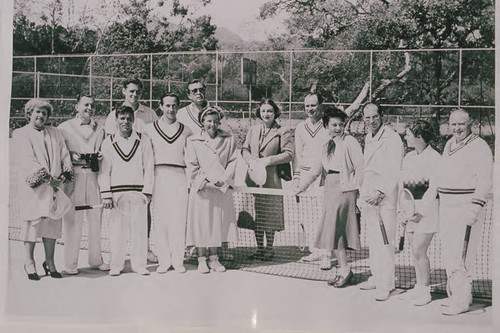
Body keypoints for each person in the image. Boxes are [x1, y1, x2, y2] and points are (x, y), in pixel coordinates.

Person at [420, 109, 493, 315]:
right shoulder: (450, 144)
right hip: (448, 206)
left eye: (461, 124)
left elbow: (485, 179)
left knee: (462, 255)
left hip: (466, 206)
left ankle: (460, 302)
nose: (457, 128)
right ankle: (459, 296)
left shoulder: (480, 146)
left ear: (470, 123)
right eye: (453, 124)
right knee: (450, 254)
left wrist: (475, 206)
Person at [295, 106, 363, 287]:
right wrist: (302, 186)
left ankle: (345, 270)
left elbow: (360, 168)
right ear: (326, 125)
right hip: (330, 189)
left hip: (344, 190)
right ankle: (343, 269)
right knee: (332, 232)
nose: (339, 128)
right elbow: (317, 169)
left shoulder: (350, 142)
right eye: (334, 125)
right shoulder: (326, 144)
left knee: (337, 231)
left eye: (341, 125)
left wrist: (358, 194)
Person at [13, 98, 74, 280]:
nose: (41, 115)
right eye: (37, 112)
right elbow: (26, 159)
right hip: (35, 188)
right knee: (33, 222)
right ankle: (29, 262)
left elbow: (64, 154)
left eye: (44, 113)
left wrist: (64, 173)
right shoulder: (21, 133)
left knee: (52, 223)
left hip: (55, 186)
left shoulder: (55, 132)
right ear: (29, 114)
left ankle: (49, 261)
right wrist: (47, 178)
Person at [104, 78, 158, 262]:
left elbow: (154, 142)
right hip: (119, 179)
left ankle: (145, 250)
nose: (134, 95)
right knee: (118, 223)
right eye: (131, 91)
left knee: (143, 217)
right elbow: (111, 144)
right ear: (123, 92)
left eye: (137, 92)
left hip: (141, 175)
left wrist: (148, 186)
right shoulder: (113, 115)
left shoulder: (149, 113)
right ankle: (116, 258)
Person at [98, 105, 154, 276]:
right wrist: (106, 194)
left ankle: (139, 265)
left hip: (138, 193)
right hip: (116, 194)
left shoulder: (143, 140)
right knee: (116, 231)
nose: (126, 121)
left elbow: (149, 167)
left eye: (129, 118)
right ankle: (116, 265)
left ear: (134, 120)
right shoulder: (108, 142)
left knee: (139, 230)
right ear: (116, 120)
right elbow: (104, 171)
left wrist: (148, 191)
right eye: (122, 118)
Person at [58, 94, 109, 275]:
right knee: (73, 221)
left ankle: (96, 260)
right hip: (75, 178)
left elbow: (105, 152)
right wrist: (70, 156)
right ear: (76, 107)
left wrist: (102, 156)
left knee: (96, 219)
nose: (89, 108)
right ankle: (70, 263)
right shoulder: (64, 128)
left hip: (94, 177)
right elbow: (59, 153)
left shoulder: (100, 128)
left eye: (92, 105)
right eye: (86, 104)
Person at [358, 103, 404, 301]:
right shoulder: (368, 137)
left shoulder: (392, 138)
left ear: (382, 116)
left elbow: (395, 169)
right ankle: (376, 277)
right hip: (369, 197)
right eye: (367, 118)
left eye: (374, 117)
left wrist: (381, 191)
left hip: (385, 199)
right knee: (374, 240)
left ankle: (387, 284)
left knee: (386, 242)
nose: (371, 121)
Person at [185, 106, 238, 273]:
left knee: (217, 222)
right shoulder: (193, 141)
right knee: (201, 224)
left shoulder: (229, 139)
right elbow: (191, 166)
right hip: (202, 190)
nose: (212, 124)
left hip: (220, 189)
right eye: (209, 121)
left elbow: (233, 161)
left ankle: (214, 259)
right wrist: (205, 183)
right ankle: (201, 259)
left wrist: (222, 181)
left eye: (215, 121)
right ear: (202, 122)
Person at [145, 92, 192, 274]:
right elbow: (147, 159)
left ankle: (178, 260)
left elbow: (190, 157)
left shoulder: (187, 130)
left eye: (174, 105)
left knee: (178, 220)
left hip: (179, 175)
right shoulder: (149, 129)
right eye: (167, 105)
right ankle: (164, 260)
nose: (171, 109)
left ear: (178, 107)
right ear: (161, 106)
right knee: (161, 220)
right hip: (158, 176)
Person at [241, 98, 293, 260]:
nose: (266, 114)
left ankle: (269, 249)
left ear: (275, 113)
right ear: (259, 112)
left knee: (269, 214)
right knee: (257, 214)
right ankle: (260, 248)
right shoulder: (253, 129)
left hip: (272, 179)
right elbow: (244, 149)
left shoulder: (282, 131)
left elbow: (289, 154)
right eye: (263, 111)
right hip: (253, 177)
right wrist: (250, 160)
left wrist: (269, 160)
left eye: (269, 111)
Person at [397, 120, 440, 305]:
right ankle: (419, 287)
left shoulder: (435, 158)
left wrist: (420, 212)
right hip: (410, 211)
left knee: (419, 251)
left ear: (419, 137)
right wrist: (403, 210)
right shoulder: (408, 158)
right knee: (415, 252)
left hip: (428, 212)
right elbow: (402, 185)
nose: (405, 137)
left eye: (408, 134)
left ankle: (425, 291)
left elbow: (433, 189)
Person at [292, 93, 332, 267]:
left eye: (313, 105)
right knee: (308, 216)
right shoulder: (300, 128)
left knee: (323, 216)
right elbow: (298, 155)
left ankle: (326, 254)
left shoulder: (328, 126)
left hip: (323, 178)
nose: (310, 109)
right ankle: (315, 250)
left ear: (320, 105)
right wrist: (297, 176)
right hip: (305, 177)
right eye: (307, 106)